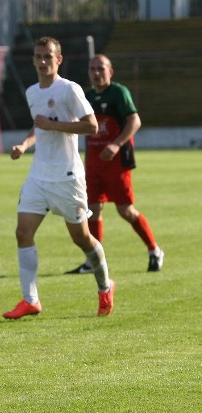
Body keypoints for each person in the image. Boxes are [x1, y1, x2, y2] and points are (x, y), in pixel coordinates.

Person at [4, 36, 115, 320]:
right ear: (33, 59)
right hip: (39, 175)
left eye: (48, 57)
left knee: (82, 238)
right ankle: (31, 300)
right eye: (38, 56)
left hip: (67, 177)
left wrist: (54, 125)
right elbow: (38, 129)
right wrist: (24, 145)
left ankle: (105, 286)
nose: (42, 62)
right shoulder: (32, 92)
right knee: (22, 232)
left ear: (58, 60)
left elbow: (91, 126)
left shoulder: (69, 90)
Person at [66, 54, 164, 274]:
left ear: (110, 72)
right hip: (93, 161)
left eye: (101, 68)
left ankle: (154, 250)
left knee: (125, 210)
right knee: (93, 209)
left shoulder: (119, 93)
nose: (97, 73)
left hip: (117, 161)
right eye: (92, 69)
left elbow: (134, 120)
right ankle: (93, 261)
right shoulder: (87, 96)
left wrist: (116, 144)